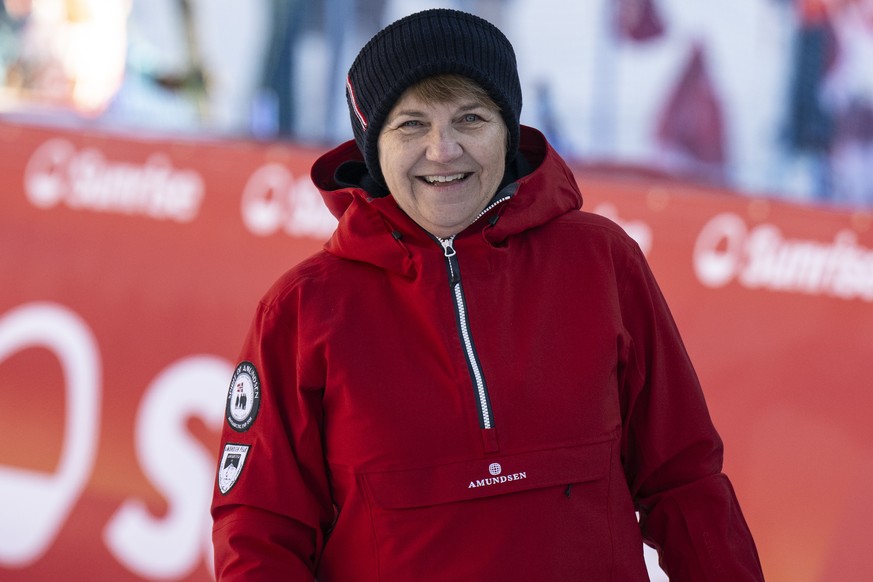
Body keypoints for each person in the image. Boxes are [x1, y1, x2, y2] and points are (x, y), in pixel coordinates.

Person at [211, 8, 764, 581]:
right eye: (411, 125)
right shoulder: (303, 311)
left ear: (508, 129)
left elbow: (684, 481)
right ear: (374, 148)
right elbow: (259, 531)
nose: (443, 150)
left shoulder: (602, 262)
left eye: (470, 119)